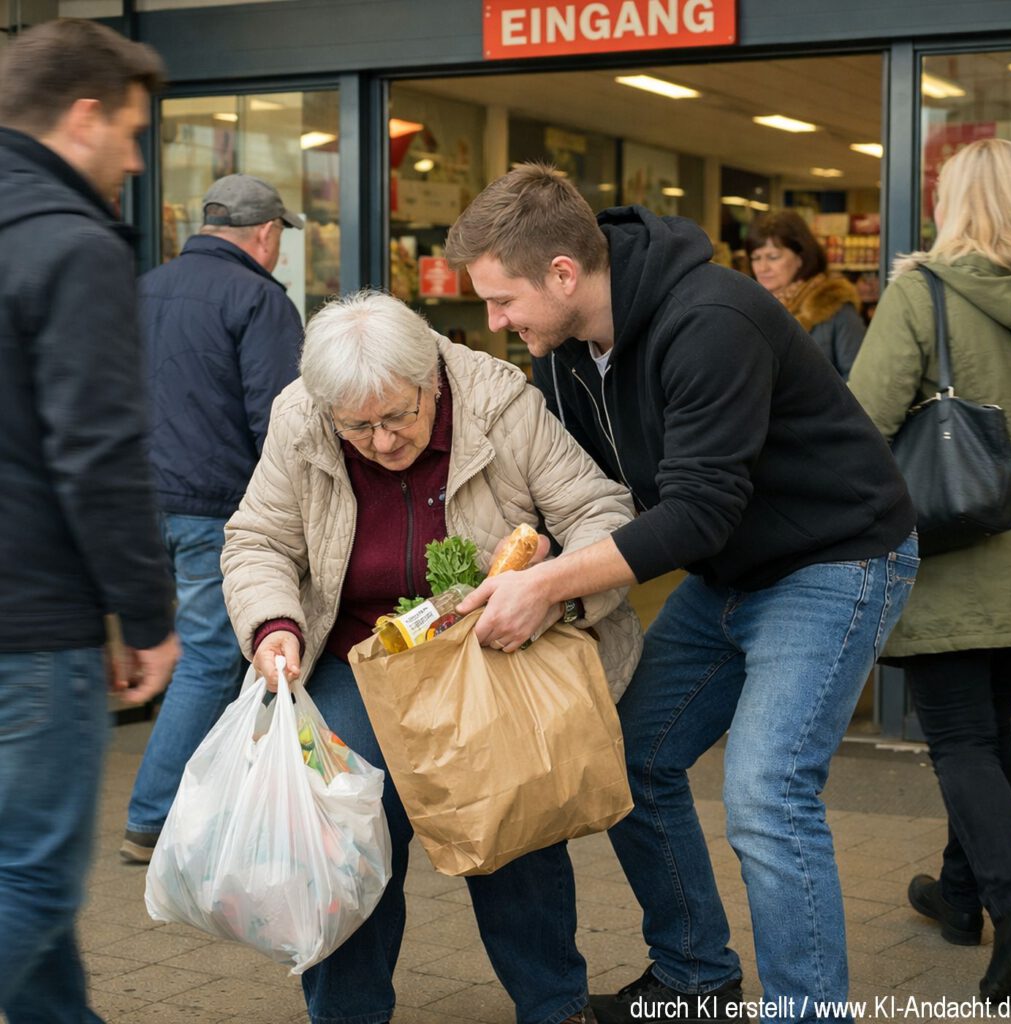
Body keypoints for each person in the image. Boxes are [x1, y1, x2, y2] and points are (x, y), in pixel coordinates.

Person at [444, 164, 919, 1024]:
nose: (494, 322)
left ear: (562, 272)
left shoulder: (711, 319)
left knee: (766, 792)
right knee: (628, 758)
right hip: (732, 570)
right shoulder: (568, 352)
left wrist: (550, 584)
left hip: (834, 559)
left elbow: (698, 512)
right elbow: (591, 495)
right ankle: (697, 977)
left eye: (503, 300)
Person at [220, 290, 643, 1024]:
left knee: (515, 811)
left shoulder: (499, 401)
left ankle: (555, 1005)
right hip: (358, 651)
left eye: (397, 417)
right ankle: (347, 1014)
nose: (382, 442)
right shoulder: (300, 417)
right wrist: (274, 627)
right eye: (359, 427)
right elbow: (258, 541)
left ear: (432, 382)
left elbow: (601, 513)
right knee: (346, 826)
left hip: (484, 641)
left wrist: (549, 588)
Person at [0, 18, 179, 1023]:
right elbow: (100, 454)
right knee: (31, 880)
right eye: (131, 130)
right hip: (30, 626)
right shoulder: (72, 247)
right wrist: (146, 618)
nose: (136, 155)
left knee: (22, 870)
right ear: (82, 118)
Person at [848, 137, 1011, 1003]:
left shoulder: (922, 292)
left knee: (959, 741)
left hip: (958, 553)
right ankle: (960, 900)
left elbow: (862, 422)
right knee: (990, 736)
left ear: (952, 204)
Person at [120, 173, 304, 863]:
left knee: (191, 653)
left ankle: (214, 801)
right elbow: (279, 421)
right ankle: (153, 815)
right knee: (210, 658)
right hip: (212, 510)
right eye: (280, 236)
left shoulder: (140, 289)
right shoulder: (259, 298)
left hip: (140, 506)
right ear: (265, 234)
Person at [745, 209, 865, 379]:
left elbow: (858, 380)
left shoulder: (834, 306)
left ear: (800, 258)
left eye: (773, 257)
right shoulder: (748, 307)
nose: (762, 268)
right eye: (756, 258)